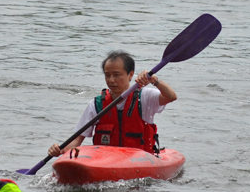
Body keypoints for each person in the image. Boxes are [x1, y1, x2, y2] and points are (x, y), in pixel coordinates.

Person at [47, 51, 177, 157]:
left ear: (130, 74)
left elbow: (171, 96)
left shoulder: (145, 97)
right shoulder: (96, 104)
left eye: (116, 75)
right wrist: (60, 149)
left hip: (140, 159)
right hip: (105, 160)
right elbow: (77, 140)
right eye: (107, 75)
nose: (111, 80)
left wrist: (155, 80)